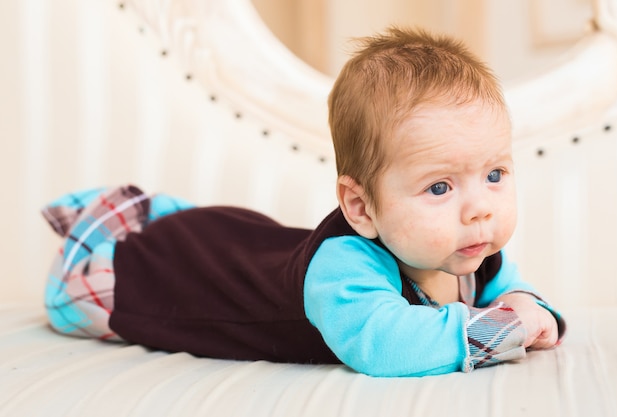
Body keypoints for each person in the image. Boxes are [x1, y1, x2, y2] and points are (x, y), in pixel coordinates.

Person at [42, 27, 565, 377]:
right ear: (361, 208)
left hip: (246, 241)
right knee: (151, 275)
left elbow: (515, 294)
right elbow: (382, 344)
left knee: (247, 241)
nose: (480, 208)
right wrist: (507, 328)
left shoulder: (469, 247)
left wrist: (531, 308)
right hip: (148, 272)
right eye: (439, 188)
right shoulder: (341, 267)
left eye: (495, 174)